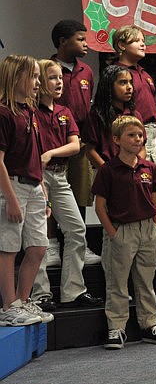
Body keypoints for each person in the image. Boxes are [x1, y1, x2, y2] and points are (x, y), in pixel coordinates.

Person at [93, 115, 156, 349]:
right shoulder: (109, 170)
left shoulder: (149, 167)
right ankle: (116, 327)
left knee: (146, 281)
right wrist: (113, 233)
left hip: (148, 230)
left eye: (140, 135)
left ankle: (150, 323)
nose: (137, 139)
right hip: (122, 231)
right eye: (131, 135)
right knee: (117, 281)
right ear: (117, 139)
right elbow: (100, 206)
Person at [32, 59, 103, 310]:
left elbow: (75, 146)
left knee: (77, 229)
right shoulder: (31, 112)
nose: (59, 82)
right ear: (39, 82)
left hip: (59, 175)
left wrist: (51, 153)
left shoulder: (64, 112)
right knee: (38, 236)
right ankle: (40, 293)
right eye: (52, 78)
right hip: (37, 177)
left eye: (60, 78)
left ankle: (73, 290)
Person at [0, 55, 52, 326]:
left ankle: (22, 299)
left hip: (33, 186)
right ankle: (8, 305)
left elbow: (35, 155)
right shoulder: (4, 112)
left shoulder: (30, 112)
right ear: (15, 77)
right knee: (8, 248)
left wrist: (43, 190)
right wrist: (10, 198)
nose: (37, 82)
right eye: (33, 76)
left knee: (39, 247)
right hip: (12, 186)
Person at [50, 21, 95, 252]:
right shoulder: (47, 68)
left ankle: (80, 244)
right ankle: (51, 243)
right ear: (63, 42)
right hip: (53, 140)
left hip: (80, 141)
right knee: (51, 194)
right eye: (80, 39)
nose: (86, 44)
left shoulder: (86, 70)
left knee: (81, 190)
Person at [112, 26, 156, 166]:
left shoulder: (145, 74)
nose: (142, 44)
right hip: (133, 131)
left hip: (153, 133)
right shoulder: (117, 73)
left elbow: (153, 104)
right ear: (122, 45)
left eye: (143, 41)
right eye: (137, 40)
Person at [84, 65, 145, 168]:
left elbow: (142, 148)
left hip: (132, 170)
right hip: (105, 171)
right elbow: (90, 150)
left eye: (130, 82)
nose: (129, 87)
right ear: (109, 86)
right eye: (123, 82)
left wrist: (135, 167)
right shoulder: (97, 115)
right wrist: (108, 172)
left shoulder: (135, 115)